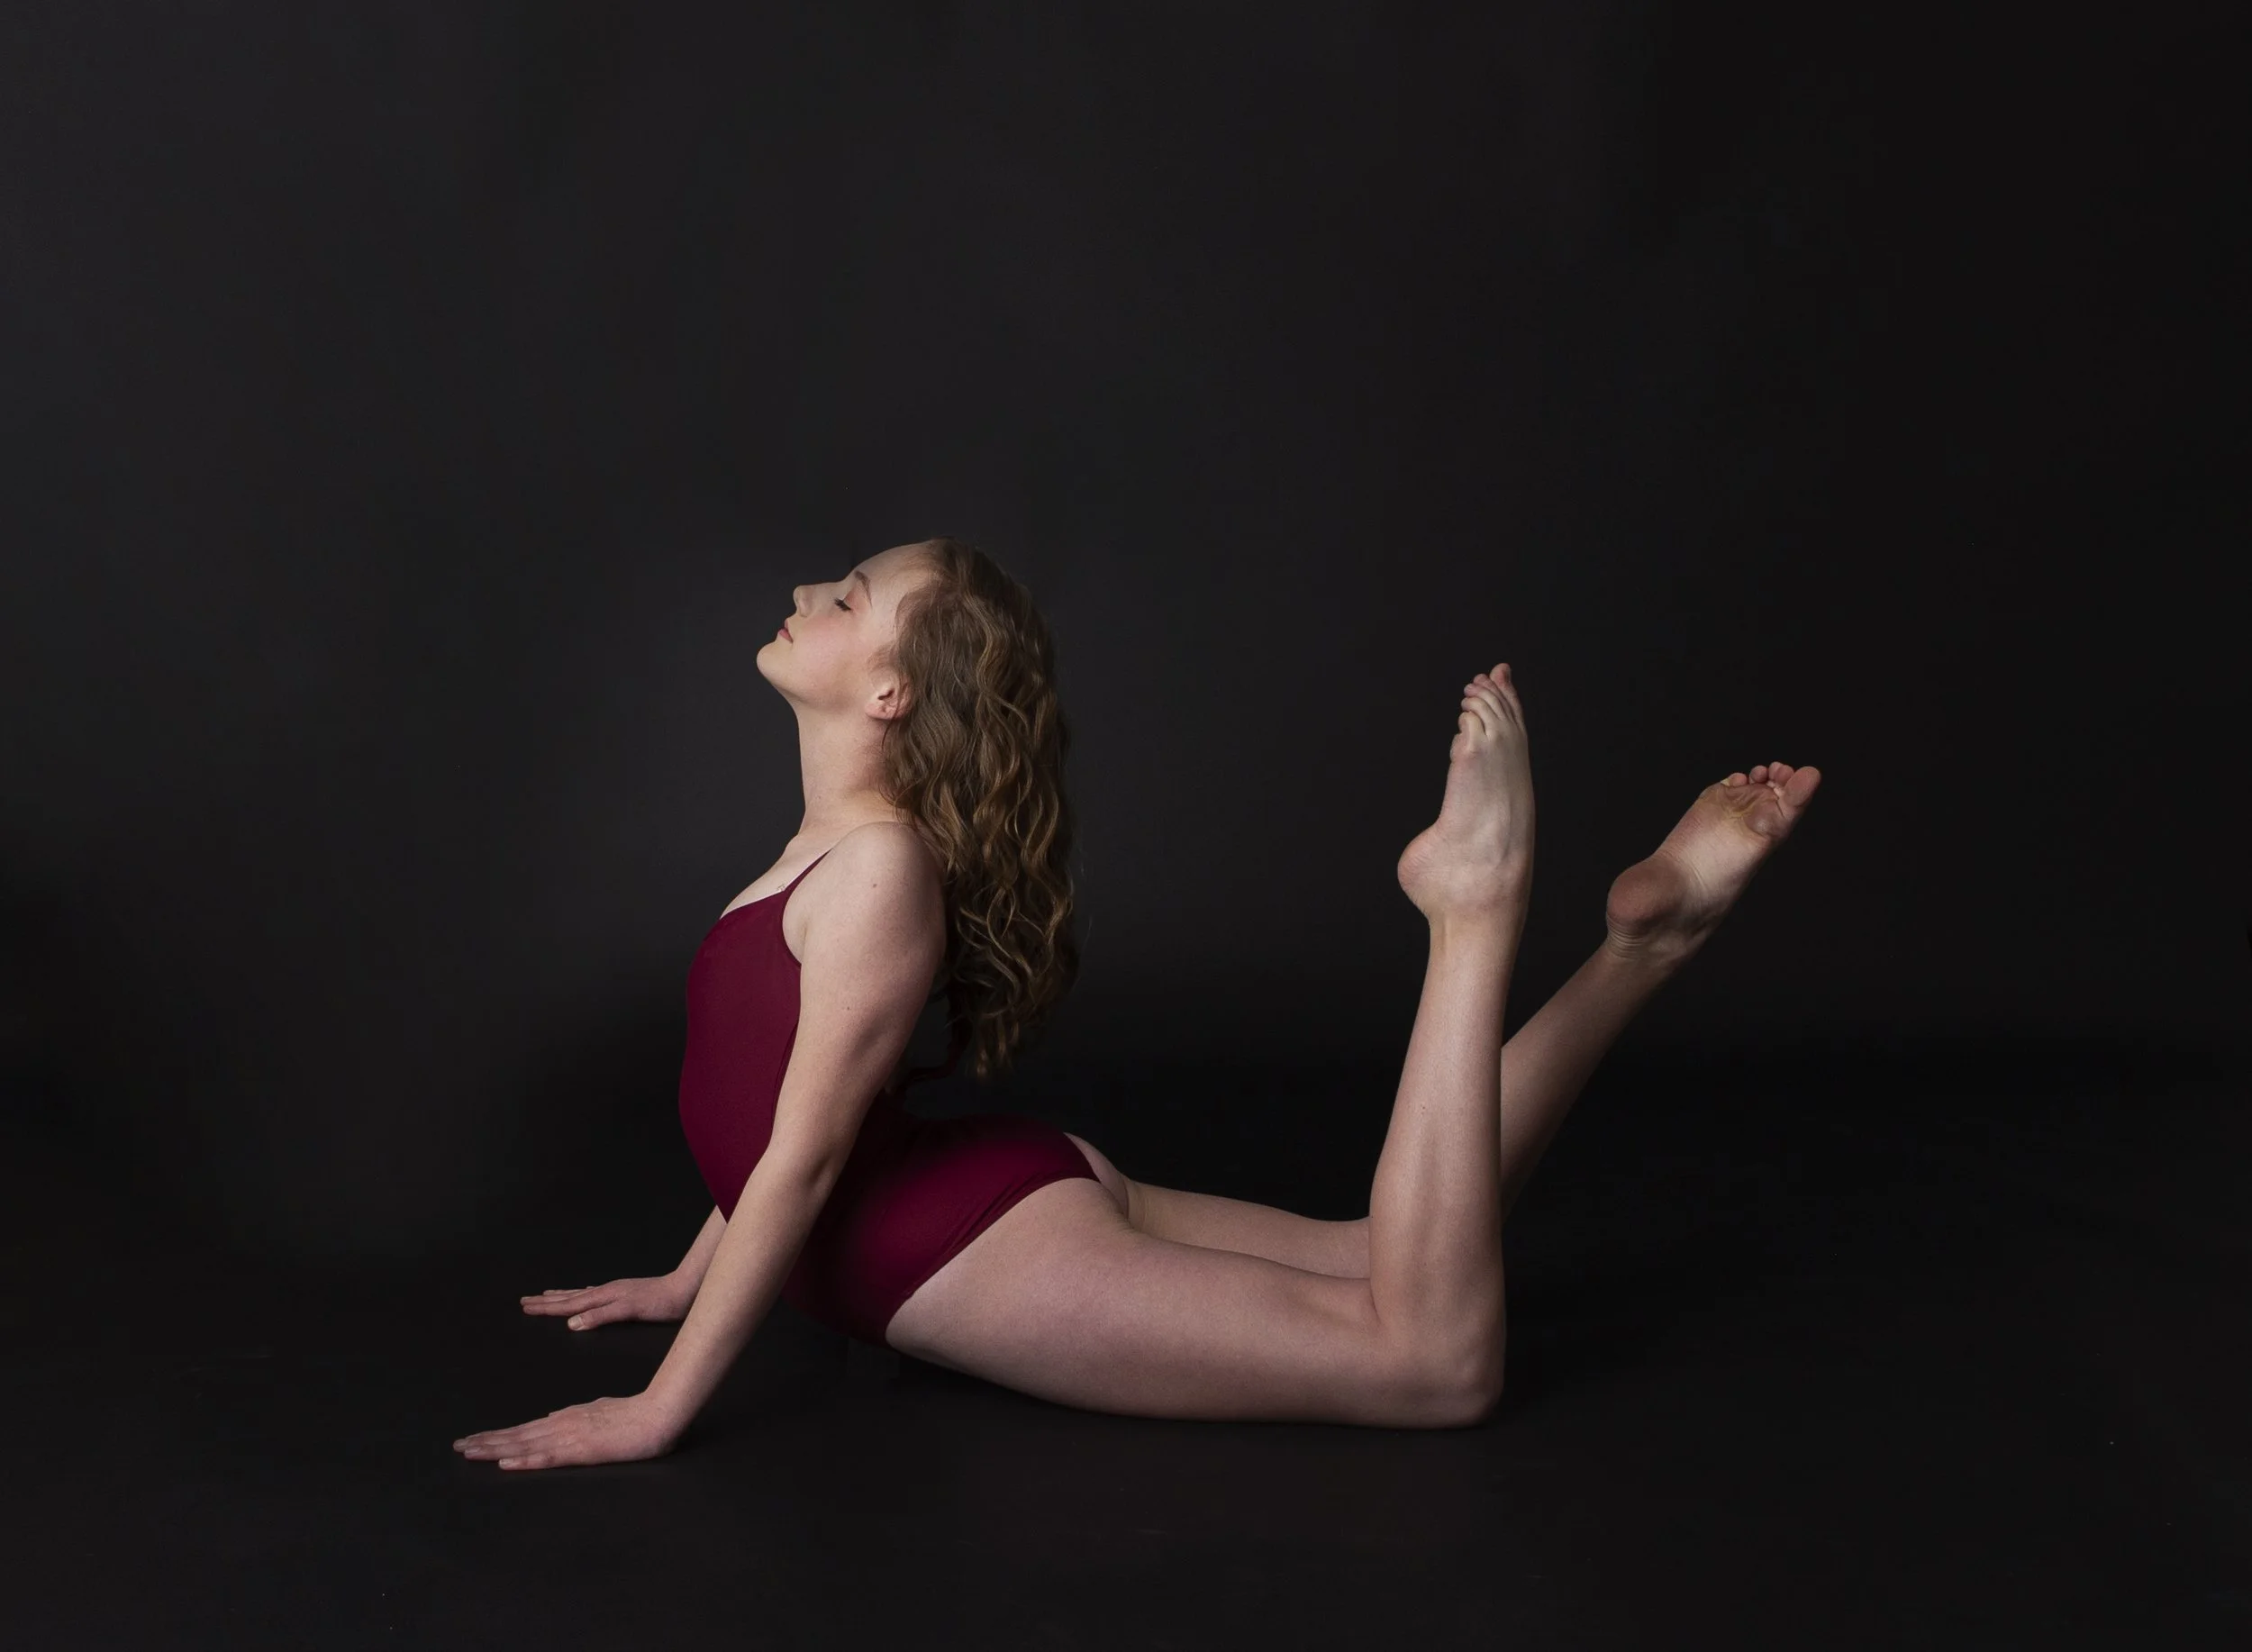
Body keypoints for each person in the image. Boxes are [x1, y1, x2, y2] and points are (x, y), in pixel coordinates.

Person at [452, 536, 1821, 1470]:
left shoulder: (873, 873)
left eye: (854, 592)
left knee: (1431, 1362)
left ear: (887, 689)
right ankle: (1649, 946)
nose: (813, 585)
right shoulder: (830, 846)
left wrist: (659, 1405)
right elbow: (782, 1103)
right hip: (973, 1186)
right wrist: (686, 1275)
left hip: (956, 1254)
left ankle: (1472, 919)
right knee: (1372, 1250)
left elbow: (805, 1153)